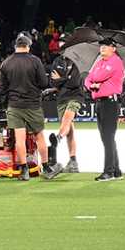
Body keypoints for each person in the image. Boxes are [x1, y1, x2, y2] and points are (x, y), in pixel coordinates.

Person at [0, 33, 53, 181]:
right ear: (28, 46)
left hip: (14, 105)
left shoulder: (6, 63)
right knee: (39, 137)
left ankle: (24, 170)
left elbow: (2, 89)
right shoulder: (35, 61)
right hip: (33, 104)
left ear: (15, 46)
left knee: (19, 139)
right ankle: (46, 167)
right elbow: (43, 83)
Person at [85, 36, 125, 181]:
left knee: (108, 137)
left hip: (110, 102)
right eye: (101, 45)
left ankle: (109, 171)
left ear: (113, 48)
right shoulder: (100, 62)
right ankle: (116, 170)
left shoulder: (116, 61)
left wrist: (94, 81)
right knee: (107, 137)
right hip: (101, 102)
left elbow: (98, 76)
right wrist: (92, 85)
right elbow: (87, 79)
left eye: (106, 45)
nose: (102, 47)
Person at [44, 36, 83, 178]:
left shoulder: (78, 61)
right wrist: (65, 80)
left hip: (75, 97)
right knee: (69, 130)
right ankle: (73, 161)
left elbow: (75, 82)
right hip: (61, 98)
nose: (62, 49)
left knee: (67, 120)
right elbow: (52, 82)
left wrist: (60, 79)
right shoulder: (57, 61)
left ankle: (58, 138)